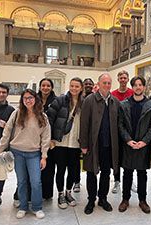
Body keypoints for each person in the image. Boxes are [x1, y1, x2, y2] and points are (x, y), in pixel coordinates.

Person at [0, 89, 51, 219]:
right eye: (25, 98)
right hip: (17, 152)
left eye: (30, 98)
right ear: (22, 100)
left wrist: (44, 156)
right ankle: (23, 206)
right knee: (21, 181)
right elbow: (7, 133)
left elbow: (46, 138)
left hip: (34, 154)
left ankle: (37, 207)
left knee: (36, 182)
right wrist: (0, 150)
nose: (28, 100)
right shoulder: (16, 114)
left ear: (35, 99)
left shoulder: (42, 117)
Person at [80, 73, 120, 215]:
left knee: (106, 172)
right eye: (104, 83)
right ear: (99, 83)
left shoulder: (115, 101)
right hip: (93, 144)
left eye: (109, 83)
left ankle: (103, 198)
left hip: (109, 144)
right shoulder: (89, 100)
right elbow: (83, 124)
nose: (107, 85)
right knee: (91, 172)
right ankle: (91, 200)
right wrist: (83, 145)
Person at [117, 76, 151, 214]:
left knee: (142, 174)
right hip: (128, 145)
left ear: (144, 87)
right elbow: (120, 125)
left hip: (142, 146)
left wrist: (144, 141)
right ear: (132, 87)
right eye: (135, 85)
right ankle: (125, 199)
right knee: (127, 173)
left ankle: (142, 200)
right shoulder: (124, 104)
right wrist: (128, 140)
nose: (138, 87)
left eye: (140, 85)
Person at [47, 77, 84, 209]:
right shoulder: (60, 100)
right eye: (72, 86)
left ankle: (69, 192)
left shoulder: (83, 102)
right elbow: (50, 118)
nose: (74, 89)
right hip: (60, 142)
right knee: (61, 169)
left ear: (81, 88)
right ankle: (61, 194)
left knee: (73, 170)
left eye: (77, 86)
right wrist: (51, 138)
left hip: (75, 143)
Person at [111, 70, 134, 193]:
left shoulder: (132, 92)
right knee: (117, 156)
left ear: (128, 79)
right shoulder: (113, 94)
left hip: (129, 130)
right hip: (116, 129)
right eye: (121, 78)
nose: (123, 80)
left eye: (125, 78)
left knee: (129, 156)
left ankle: (130, 181)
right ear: (118, 79)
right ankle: (116, 181)